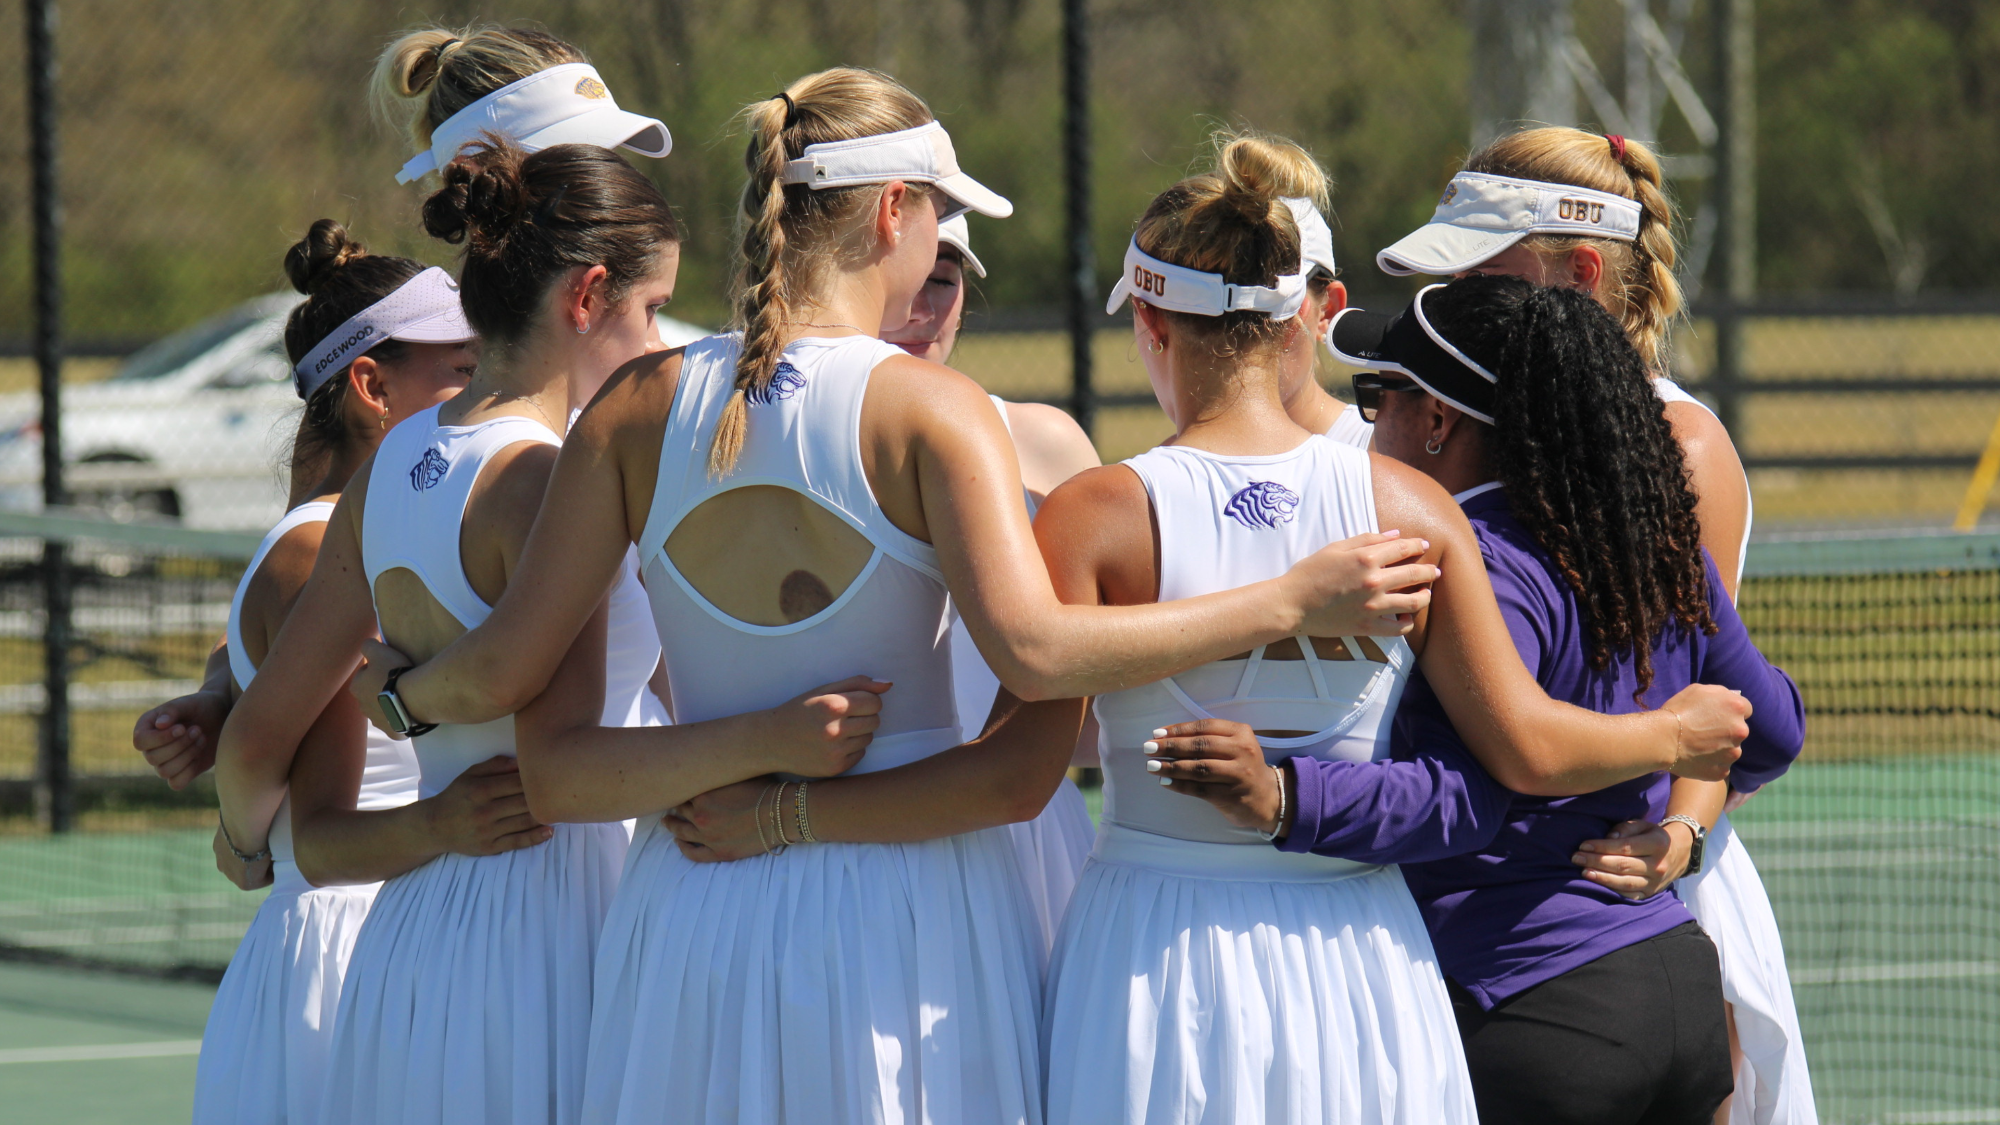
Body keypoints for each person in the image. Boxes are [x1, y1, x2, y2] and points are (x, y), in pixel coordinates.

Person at [345, 69, 1468, 1124]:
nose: (939, 243)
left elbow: (560, 773)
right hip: (913, 925)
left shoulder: (633, 408)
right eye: (938, 212)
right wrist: (1288, 600)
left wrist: (753, 778)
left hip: (688, 913)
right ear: (893, 212)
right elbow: (1035, 658)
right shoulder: (933, 409)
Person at [1022, 134, 1752, 1125]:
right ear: (1303, 315)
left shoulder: (1093, 513)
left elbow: (1032, 729)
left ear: (1150, 321)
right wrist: (1672, 757)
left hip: (1151, 946)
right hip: (1363, 955)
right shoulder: (1413, 509)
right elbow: (1493, 773)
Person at [210, 140, 806, 1125]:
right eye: (653, 309)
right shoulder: (547, 480)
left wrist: (252, 824)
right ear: (588, 296)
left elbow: (269, 752)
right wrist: (782, 749)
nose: (661, 342)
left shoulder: (391, 463)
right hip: (556, 928)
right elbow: (559, 764)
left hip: (413, 936)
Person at [1155, 275, 1804, 1124]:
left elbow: (1464, 798)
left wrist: (1283, 794)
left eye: (1380, 395)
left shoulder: (1483, 566)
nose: (1366, 424)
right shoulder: (1648, 546)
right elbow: (1773, 730)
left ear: (1437, 421)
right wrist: (1682, 831)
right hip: (1676, 987)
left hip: (1532, 1004)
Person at [1377, 127, 1812, 1124]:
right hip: (1521, 930)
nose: (1452, 302)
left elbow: (1713, 703)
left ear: (1577, 274)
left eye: (1478, 276)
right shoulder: (1464, 417)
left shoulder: (1669, 444)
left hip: (1629, 896)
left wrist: (1680, 834)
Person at [187, 221, 473, 1123]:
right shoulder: (327, 555)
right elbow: (304, 807)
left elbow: (260, 678)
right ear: (372, 388)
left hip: (369, 937)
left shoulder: (340, 532)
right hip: (345, 956)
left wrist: (216, 690)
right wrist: (244, 841)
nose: (484, 393)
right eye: (462, 371)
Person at [882, 213, 1101, 950]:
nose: (921, 307)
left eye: (942, 281)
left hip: (1024, 829)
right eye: (903, 279)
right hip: (859, 826)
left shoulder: (1044, 439)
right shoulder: (795, 436)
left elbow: (1096, 694)